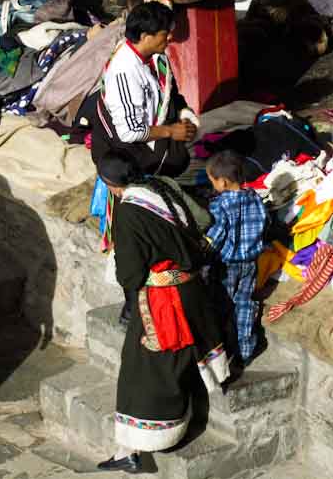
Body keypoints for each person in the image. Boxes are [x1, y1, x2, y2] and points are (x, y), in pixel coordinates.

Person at [95, 153, 229, 473]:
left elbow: (129, 269)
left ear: (109, 184)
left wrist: (130, 293)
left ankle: (138, 448)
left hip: (163, 300)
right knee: (175, 359)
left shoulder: (128, 211)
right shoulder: (161, 186)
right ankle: (134, 445)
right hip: (191, 289)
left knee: (145, 369)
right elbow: (201, 222)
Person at [89, 0, 198, 179]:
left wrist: (184, 114)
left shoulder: (156, 56)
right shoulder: (124, 72)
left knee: (187, 145)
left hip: (152, 124)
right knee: (176, 162)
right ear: (145, 36)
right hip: (126, 142)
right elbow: (129, 132)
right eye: (165, 33)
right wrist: (170, 131)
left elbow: (172, 93)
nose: (170, 37)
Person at [204, 151, 268, 367]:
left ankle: (221, 349)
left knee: (221, 304)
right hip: (250, 262)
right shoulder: (255, 198)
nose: (212, 185)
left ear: (222, 182)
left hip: (227, 265)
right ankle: (246, 348)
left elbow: (216, 235)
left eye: (212, 181)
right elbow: (263, 223)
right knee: (244, 303)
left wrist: (202, 249)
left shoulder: (220, 205)